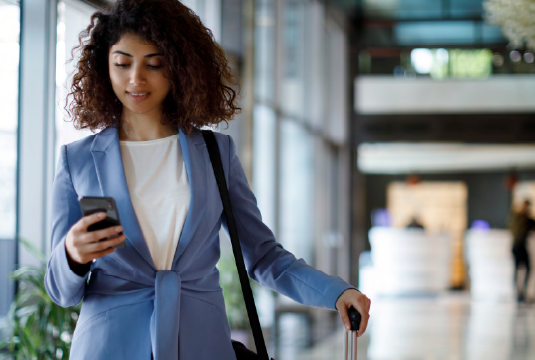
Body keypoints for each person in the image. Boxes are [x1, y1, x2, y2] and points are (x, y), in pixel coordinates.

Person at [43, 1, 371, 359]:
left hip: (202, 344)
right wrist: (72, 255)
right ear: (104, 66)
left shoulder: (216, 154)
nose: (136, 78)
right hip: (109, 347)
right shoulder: (77, 162)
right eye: (122, 63)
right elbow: (61, 291)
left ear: (180, 68)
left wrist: (334, 292)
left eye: (154, 64)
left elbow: (262, 257)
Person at [509, 200, 535, 302]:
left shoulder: (525, 218)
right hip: (518, 246)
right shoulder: (520, 218)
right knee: (518, 269)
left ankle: (522, 292)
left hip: (521, 246)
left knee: (525, 269)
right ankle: (518, 293)